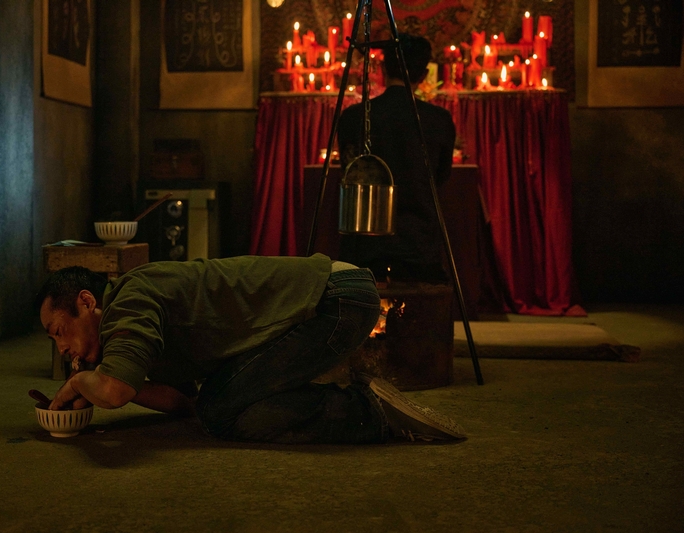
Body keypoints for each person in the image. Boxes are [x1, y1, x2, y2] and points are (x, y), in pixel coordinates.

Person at [36, 254, 465, 443]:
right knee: (220, 409)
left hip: (337, 300)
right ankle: (346, 395)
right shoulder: (131, 328)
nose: (62, 347)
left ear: (87, 303)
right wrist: (99, 381)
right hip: (335, 299)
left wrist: (79, 382)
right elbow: (183, 403)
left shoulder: (128, 300)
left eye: (59, 331)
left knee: (220, 410)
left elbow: (114, 392)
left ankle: (367, 411)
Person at [337, 34, 456, 284]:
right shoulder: (439, 120)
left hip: (365, 244)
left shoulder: (354, 117)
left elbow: (348, 172)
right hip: (419, 244)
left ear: (382, 69)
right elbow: (441, 177)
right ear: (424, 75)